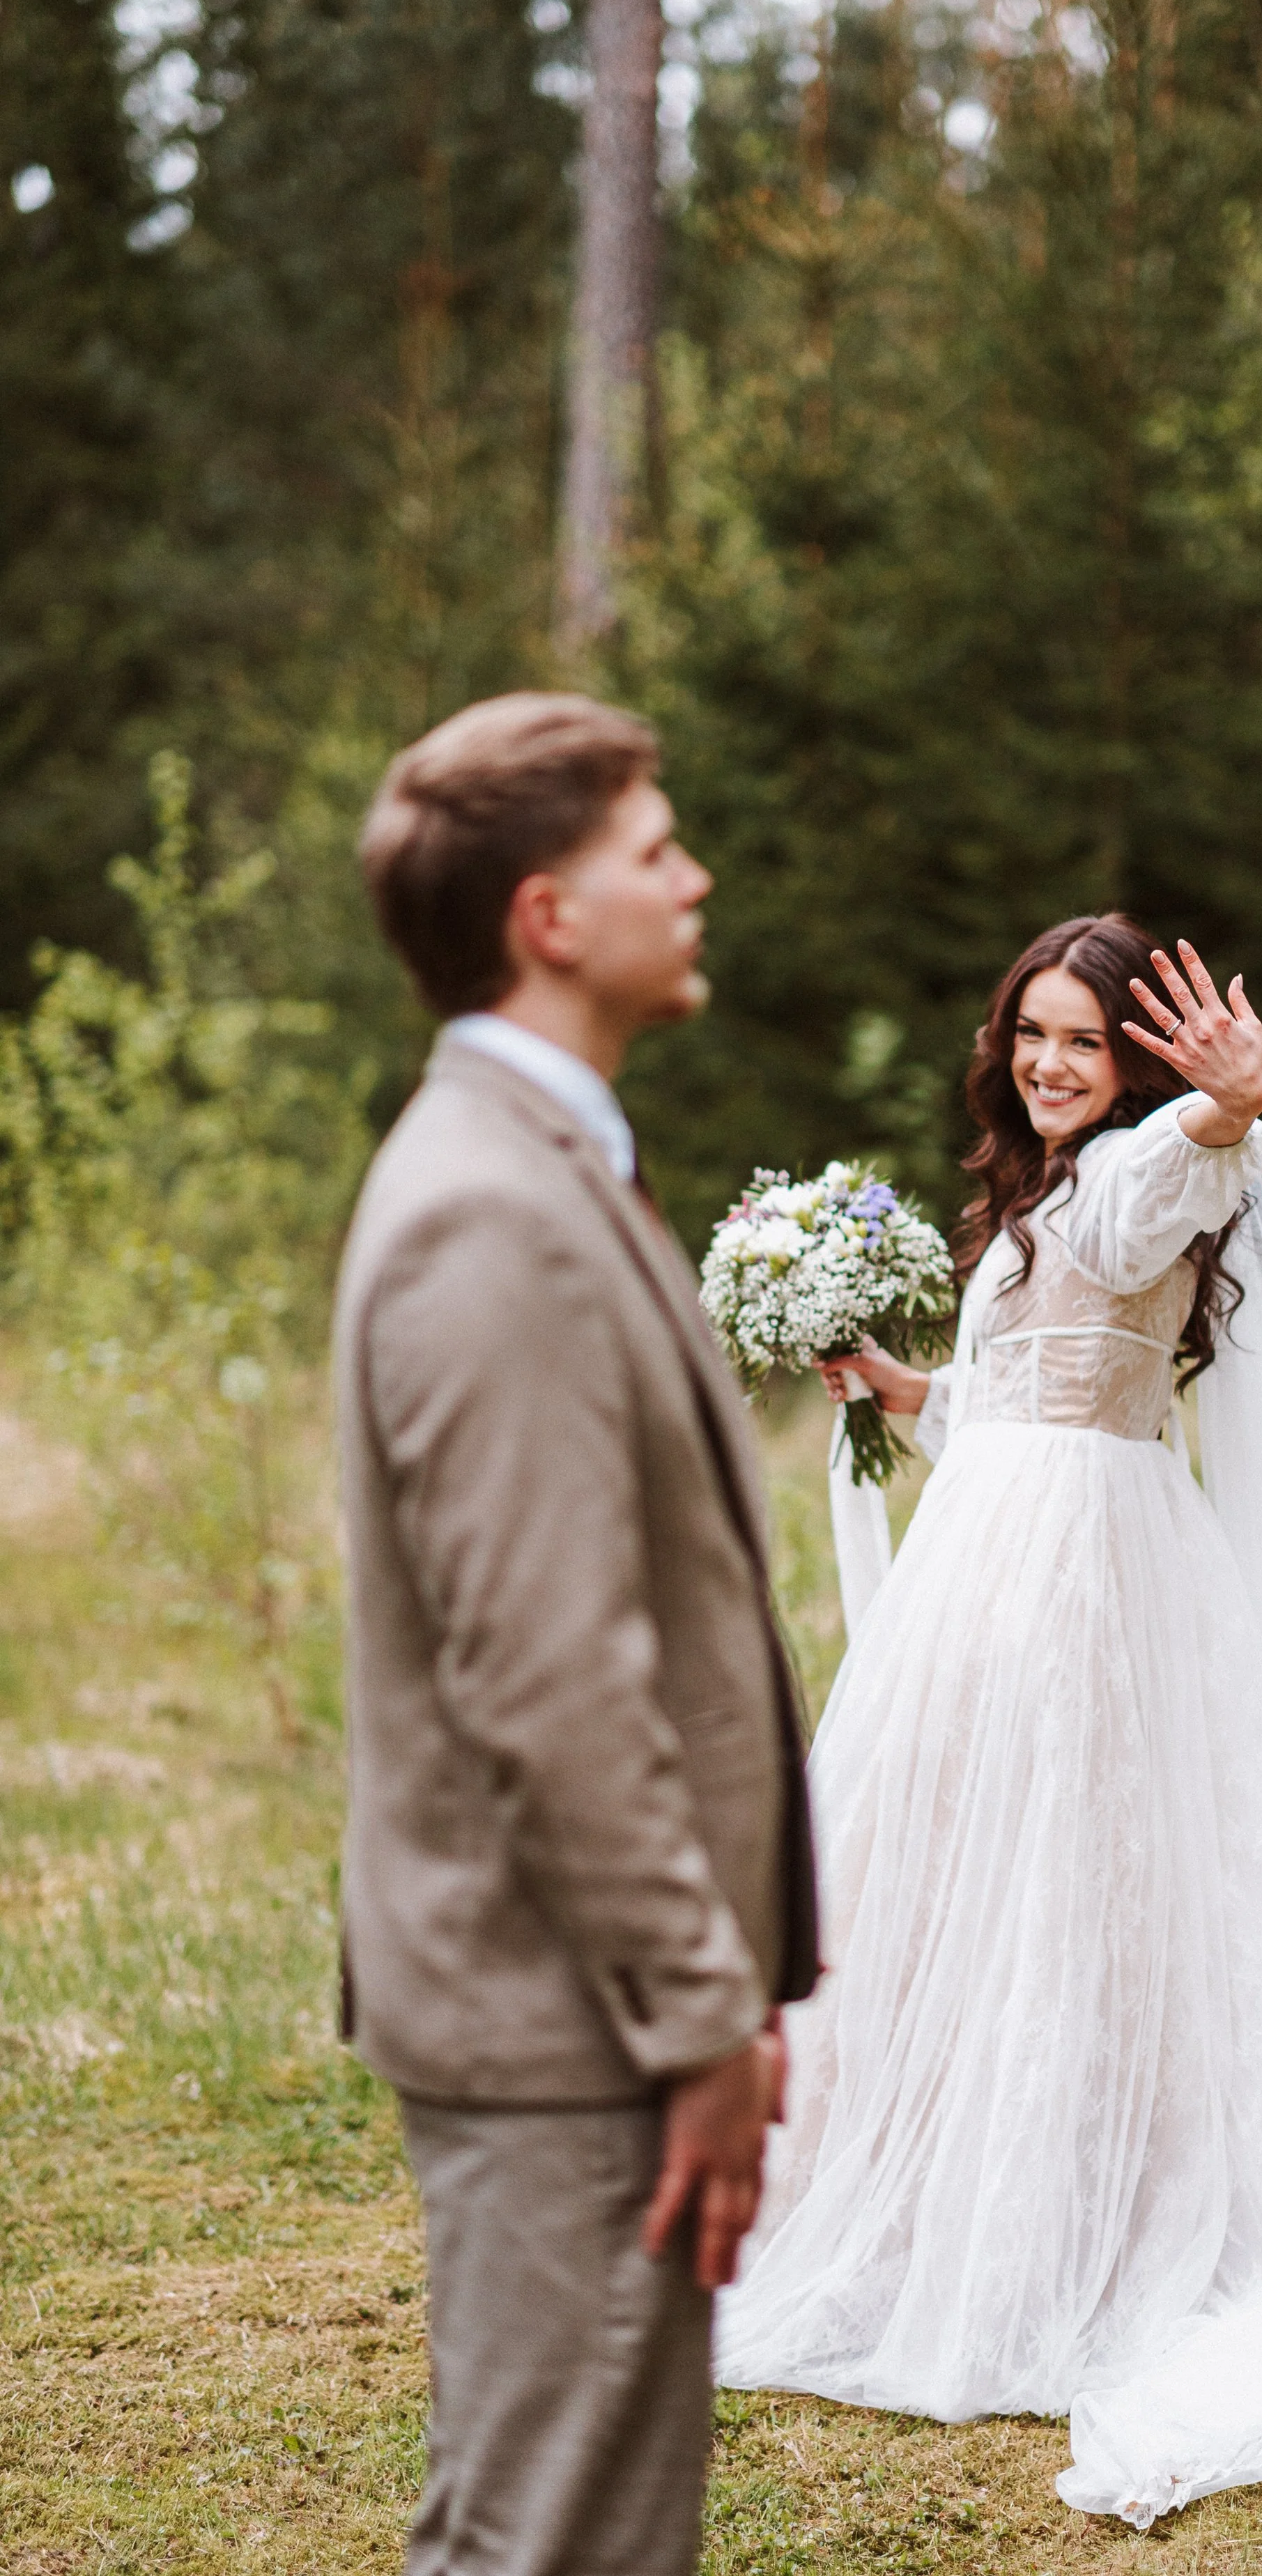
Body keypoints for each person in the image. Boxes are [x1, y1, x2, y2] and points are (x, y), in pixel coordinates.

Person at [714, 912, 1262, 2527]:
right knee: (958, 1868)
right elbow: (1026, 1405)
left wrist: (1227, 1103)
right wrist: (902, 1392)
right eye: (1030, 1034)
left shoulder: (1145, 1166)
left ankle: (1080, 2212)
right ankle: (936, 2187)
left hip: (1090, 1579)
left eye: (1081, 1043)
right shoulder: (1039, 1193)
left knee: (1083, 1878)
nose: (1046, 1064)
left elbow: (1192, 1163)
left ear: (1131, 1064)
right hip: (993, 1567)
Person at [334, 692, 819, 2576]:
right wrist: (698, 2017)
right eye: (651, 849)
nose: (692, 880)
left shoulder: (543, 1167)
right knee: (559, 2546)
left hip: (582, 2000)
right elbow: (549, 1680)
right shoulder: (488, 1217)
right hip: (568, 2018)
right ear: (547, 914)